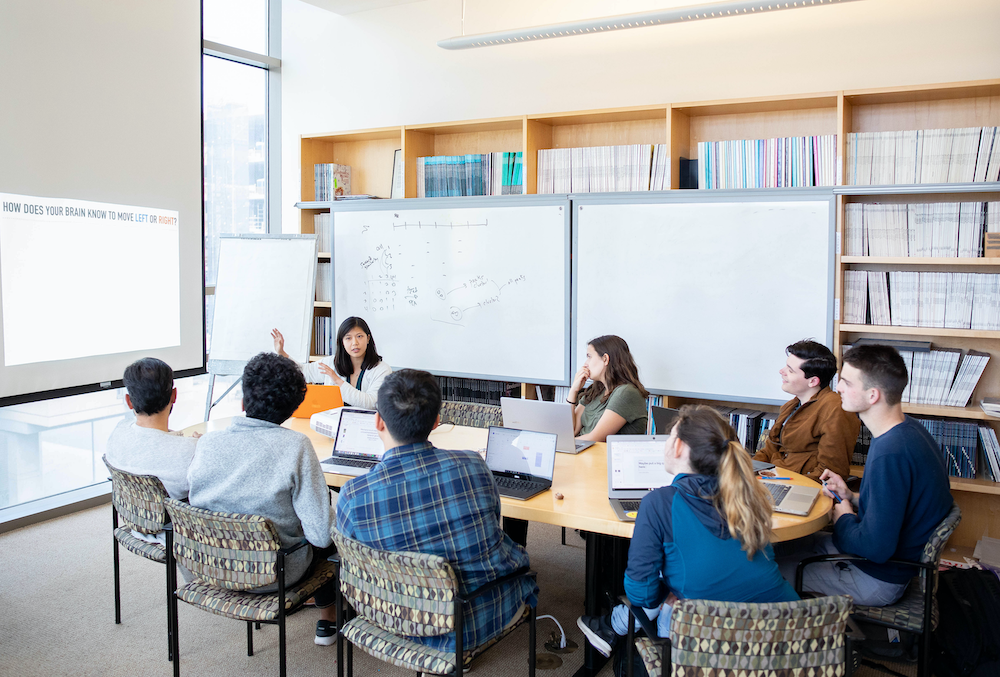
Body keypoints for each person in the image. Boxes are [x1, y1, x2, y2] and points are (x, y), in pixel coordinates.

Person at [336, 368, 537, 653]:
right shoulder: (474, 466)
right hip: (478, 618)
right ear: (437, 422)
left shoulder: (353, 495)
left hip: (392, 617)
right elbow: (491, 527)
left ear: (378, 421)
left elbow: (353, 563)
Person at [577, 405, 798, 658]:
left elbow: (642, 594)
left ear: (679, 446)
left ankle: (613, 629)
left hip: (712, 650)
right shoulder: (750, 496)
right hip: (790, 641)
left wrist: (671, 589)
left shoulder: (659, 503)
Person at [186, 352, 338, 645]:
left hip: (211, 564)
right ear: (293, 408)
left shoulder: (207, 443)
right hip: (276, 574)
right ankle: (328, 619)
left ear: (243, 401)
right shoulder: (296, 446)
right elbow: (320, 535)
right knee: (327, 525)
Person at [785, 344, 952, 607]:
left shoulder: (890, 453)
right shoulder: (908, 431)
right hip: (887, 562)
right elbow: (895, 506)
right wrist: (850, 495)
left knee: (764, 572)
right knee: (784, 547)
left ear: (872, 395)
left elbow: (875, 548)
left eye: (846, 382)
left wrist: (844, 517)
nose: (837, 387)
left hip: (876, 578)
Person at [106, 357, 198, 544]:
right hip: (176, 534)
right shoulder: (189, 452)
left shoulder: (118, 432)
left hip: (133, 521)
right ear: (174, 396)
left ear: (129, 401)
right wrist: (199, 445)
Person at [753, 340, 860, 480]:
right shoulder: (791, 406)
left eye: (790, 370)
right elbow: (769, 451)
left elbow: (830, 473)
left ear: (813, 381)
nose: (781, 371)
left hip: (800, 485)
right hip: (774, 479)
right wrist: (747, 472)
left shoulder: (835, 409)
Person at [271, 316, 391, 409]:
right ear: (342, 342)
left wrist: (337, 380)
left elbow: (371, 403)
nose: (355, 343)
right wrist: (282, 353)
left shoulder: (382, 370)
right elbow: (304, 372)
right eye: (348, 338)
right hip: (333, 423)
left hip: (366, 428)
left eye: (359, 336)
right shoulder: (332, 362)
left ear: (368, 338)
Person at [569, 335, 649, 442]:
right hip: (584, 452)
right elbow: (571, 430)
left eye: (589, 356)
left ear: (605, 359)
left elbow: (595, 438)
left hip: (602, 456)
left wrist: (562, 442)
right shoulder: (595, 390)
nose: (585, 364)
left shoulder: (626, 393)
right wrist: (573, 390)